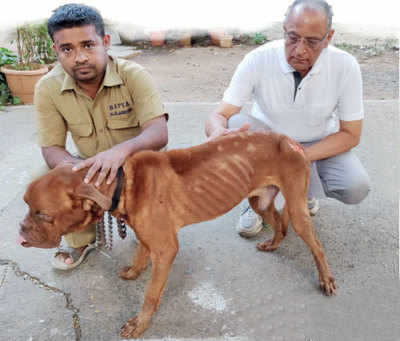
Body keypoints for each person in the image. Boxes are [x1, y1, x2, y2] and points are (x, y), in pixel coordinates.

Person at [205, 0, 370, 238]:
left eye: (312, 41)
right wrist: (216, 133)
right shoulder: (258, 59)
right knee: (235, 124)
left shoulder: (345, 66)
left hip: (316, 146)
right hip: (269, 145)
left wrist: (300, 156)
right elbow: (220, 114)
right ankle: (255, 193)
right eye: (293, 38)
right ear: (284, 30)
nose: (300, 50)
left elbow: (351, 134)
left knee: (355, 186)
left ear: (329, 37)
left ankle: (299, 190)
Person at [34, 4, 168, 269]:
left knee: (156, 223)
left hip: (139, 166)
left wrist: (121, 152)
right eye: (67, 49)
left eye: (87, 45)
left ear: (105, 42)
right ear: (56, 51)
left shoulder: (133, 75)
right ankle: (80, 238)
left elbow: (158, 132)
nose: (80, 57)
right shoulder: (47, 88)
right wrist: (75, 170)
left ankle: (151, 227)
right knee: (43, 178)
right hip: (87, 165)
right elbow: (51, 148)